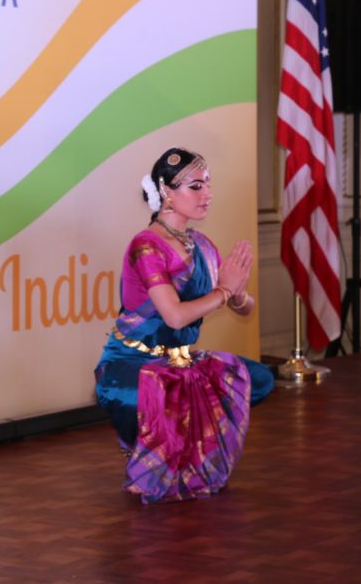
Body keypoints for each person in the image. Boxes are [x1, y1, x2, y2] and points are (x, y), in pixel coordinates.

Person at [94, 148, 274, 504]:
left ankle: (178, 446)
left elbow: (245, 307)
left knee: (259, 379)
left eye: (208, 184)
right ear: (165, 191)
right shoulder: (146, 246)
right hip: (133, 364)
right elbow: (175, 315)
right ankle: (148, 444)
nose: (207, 194)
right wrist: (224, 290)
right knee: (160, 396)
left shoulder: (202, 245)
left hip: (180, 361)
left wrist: (237, 293)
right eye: (196, 186)